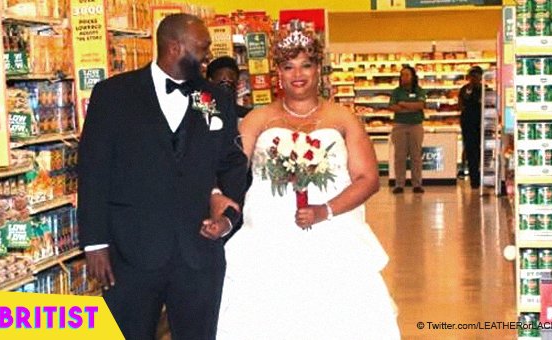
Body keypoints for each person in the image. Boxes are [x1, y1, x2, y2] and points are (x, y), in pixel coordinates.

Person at [215, 23, 400, 339]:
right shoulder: (259, 119)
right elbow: (229, 169)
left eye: (306, 65)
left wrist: (324, 210)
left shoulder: (342, 118)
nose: (297, 74)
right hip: (268, 237)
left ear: (318, 70)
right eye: (288, 66)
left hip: (332, 231)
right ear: (278, 73)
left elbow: (368, 179)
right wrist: (217, 196)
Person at [77, 13, 248, 340]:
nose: (208, 54)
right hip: (130, 253)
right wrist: (95, 242)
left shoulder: (215, 98)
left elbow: (232, 162)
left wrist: (228, 215)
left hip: (198, 253)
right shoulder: (113, 95)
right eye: (202, 47)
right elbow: (94, 170)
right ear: (174, 47)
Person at [388, 65, 426, 194]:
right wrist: (412, 106)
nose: (404, 77)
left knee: (416, 155)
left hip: (416, 125)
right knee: (400, 156)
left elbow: (420, 105)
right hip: (399, 126)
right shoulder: (396, 91)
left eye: (407, 75)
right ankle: (399, 184)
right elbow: (393, 107)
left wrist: (403, 104)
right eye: (402, 75)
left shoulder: (419, 90)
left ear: (413, 76)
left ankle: (417, 184)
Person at [459, 66, 483, 189]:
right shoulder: (465, 89)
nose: (474, 79)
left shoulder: (485, 90)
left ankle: (482, 177)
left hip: (482, 124)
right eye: (472, 76)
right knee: (471, 151)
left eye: (476, 76)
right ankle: (474, 179)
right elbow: (461, 104)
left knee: (481, 151)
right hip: (468, 124)